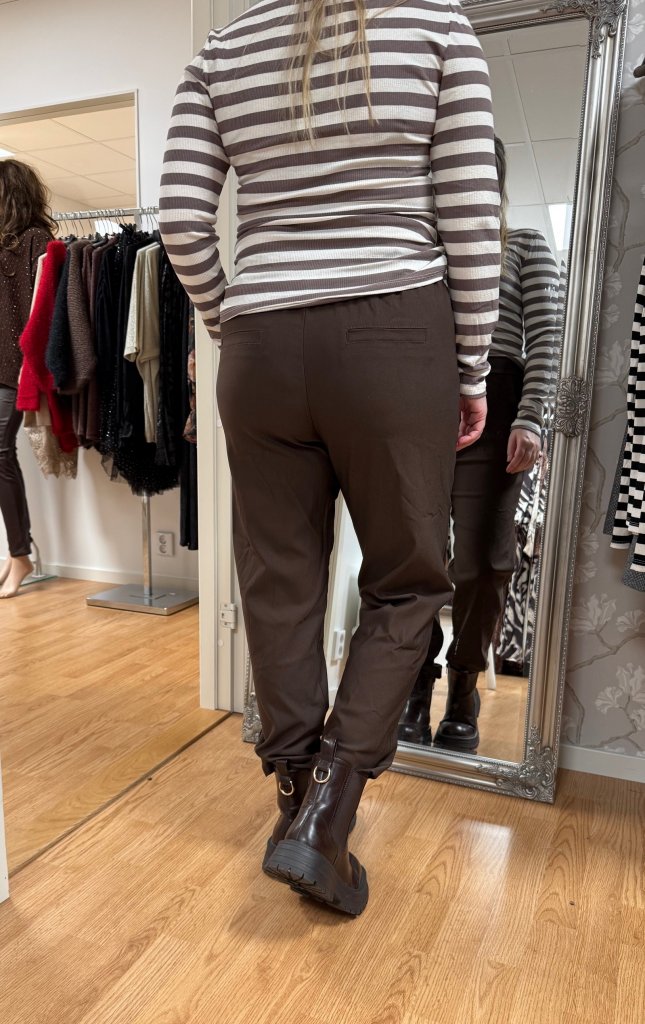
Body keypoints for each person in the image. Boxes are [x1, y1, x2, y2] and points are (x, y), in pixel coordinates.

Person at [159, 0, 500, 915]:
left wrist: (231, 317)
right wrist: (470, 366)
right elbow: (472, 216)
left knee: (277, 580)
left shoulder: (223, 47)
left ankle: (292, 803)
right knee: (408, 581)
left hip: (260, 344)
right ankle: (327, 816)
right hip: (396, 329)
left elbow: (182, 219)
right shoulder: (436, 25)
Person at [399, 136, 560, 753]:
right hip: (417, 404)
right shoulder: (419, 255)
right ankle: (414, 684)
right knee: (409, 559)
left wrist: (532, 417)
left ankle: (463, 686)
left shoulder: (525, 247)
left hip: (497, 403)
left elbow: (547, 335)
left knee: (482, 562)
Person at [0, 160, 55, 598]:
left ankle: (20, 555)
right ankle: (18, 552)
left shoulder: (36, 239)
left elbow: (41, 311)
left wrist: (31, 366)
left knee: (0, 452)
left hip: (15, 367)